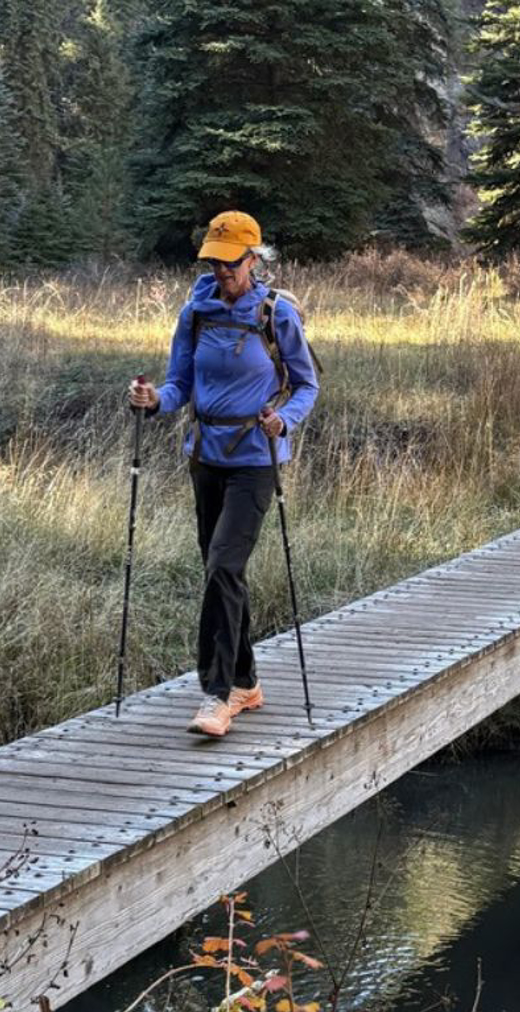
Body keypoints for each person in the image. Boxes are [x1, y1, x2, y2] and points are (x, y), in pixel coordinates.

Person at [129, 211, 320, 737]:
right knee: (222, 574)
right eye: (214, 262)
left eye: (231, 264)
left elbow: (306, 386)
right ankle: (248, 681)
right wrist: (152, 401)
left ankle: (218, 695)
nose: (222, 273)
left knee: (221, 566)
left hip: (256, 459)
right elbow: (179, 385)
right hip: (205, 456)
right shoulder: (195, 312)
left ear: (254, 260)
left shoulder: (276, 314)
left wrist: (286, 421)